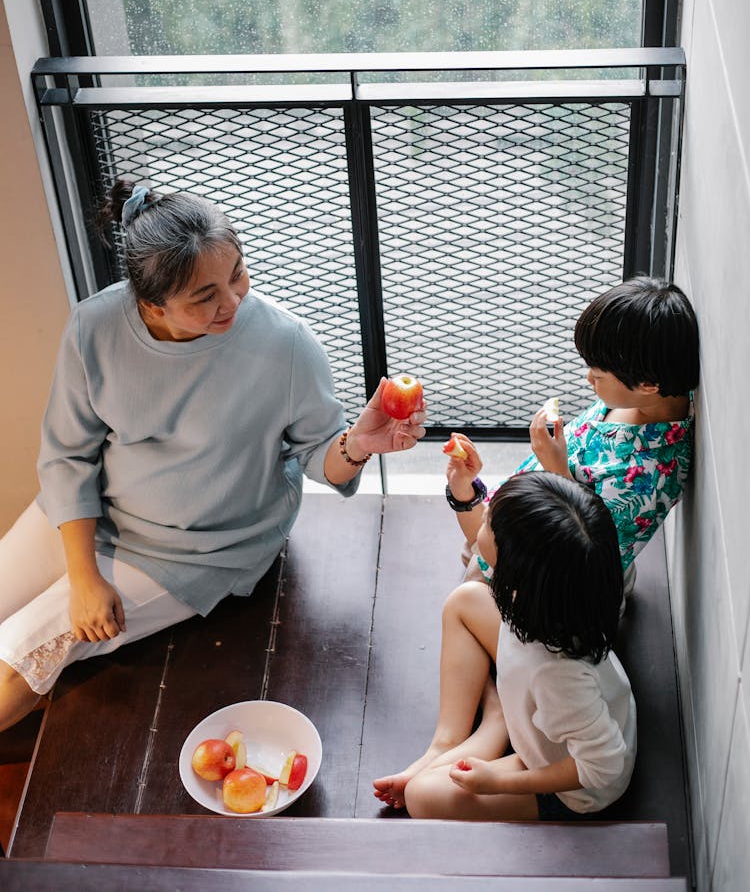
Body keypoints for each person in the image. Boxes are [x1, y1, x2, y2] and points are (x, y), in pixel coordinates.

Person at [0, 180, 426, 733]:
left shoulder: (285, 344)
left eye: (238, 274)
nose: (232, 302)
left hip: (197, 551)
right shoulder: (93, 327)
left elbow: (322, 457)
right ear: (151, 303)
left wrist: (358, 445)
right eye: (204, 297)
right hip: (92, 516)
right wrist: (83, 575)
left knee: (17, 659)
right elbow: (66, 457)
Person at [373, 472, 636, 820]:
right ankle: (451, 741)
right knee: (465, 601)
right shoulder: (559, 595)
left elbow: (605, 766)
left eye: (489, 524)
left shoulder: (557, 676)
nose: (484, 516)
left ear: (516, 568)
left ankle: (496, 724)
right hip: (543, 710)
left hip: (569, 785)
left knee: (421, 796)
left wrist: (498, 781)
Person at [446, 276, 699, 588]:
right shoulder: (643, 399)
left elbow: (587, 551)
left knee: (470, 587)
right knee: (474, 548)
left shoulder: (653, 472)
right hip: (523, 519)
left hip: (555, 580)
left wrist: (555, 467)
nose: (588, 379)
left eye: (597, 374)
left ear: (648, 385)